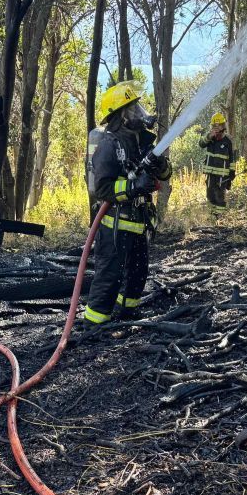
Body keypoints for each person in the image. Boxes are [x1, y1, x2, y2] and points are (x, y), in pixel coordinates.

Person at [83, 81, 171, 325]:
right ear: (120, 116)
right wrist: (133, 187)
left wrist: (161, 166)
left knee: (138, 273)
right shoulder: (109, 145)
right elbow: (102, 188)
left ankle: (126, 314)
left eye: (138, 107)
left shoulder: (142, 142)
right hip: (114, 225)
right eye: (133, 110)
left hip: (138, 223)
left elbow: (164, 175)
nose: (139, 114)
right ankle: (94, 324)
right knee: (109, 276)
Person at [200, 113, 236, 212]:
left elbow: (232, 158)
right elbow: (201, 144)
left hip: (222, 176)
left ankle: (219, 218)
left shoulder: (228, 140)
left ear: (223, 126)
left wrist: (232, 172)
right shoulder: (209, 138)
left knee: (219, 197)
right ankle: (212, 217)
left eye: (217, 125)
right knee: (210, 195)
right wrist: (209, 136)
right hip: (210, 174)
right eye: (213, 126)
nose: (215, 128)